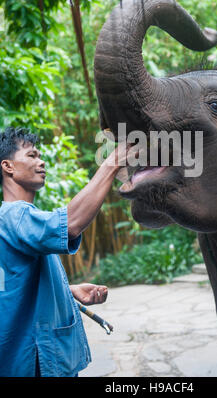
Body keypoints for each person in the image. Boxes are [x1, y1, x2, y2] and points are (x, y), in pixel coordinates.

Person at [0, 127, 131, 377]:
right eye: (32, 155)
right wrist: (112, 163)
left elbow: (8, 288)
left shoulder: (17, 221)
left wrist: (68, 290)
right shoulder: (15, 216)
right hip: (35, 365)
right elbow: (71, 223)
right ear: (8, 166)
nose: (41, 161)